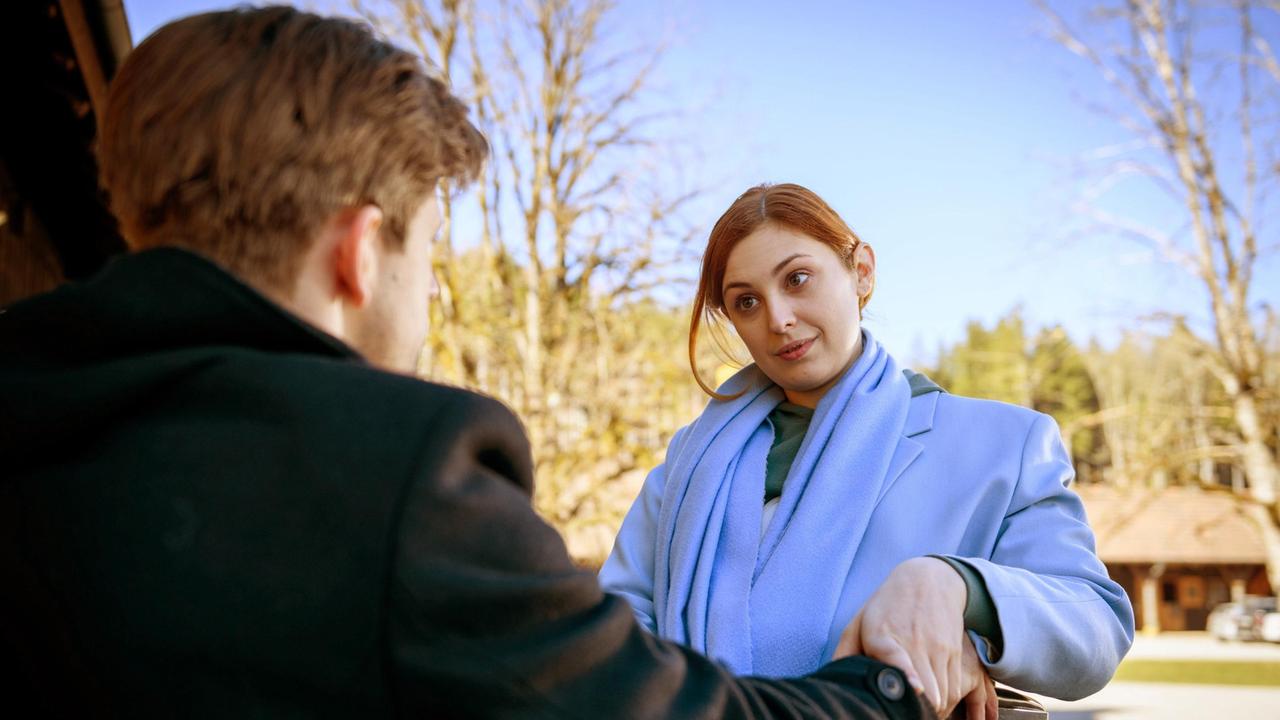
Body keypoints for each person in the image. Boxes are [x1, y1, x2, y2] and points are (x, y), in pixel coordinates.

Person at [0, 9, 933, 719]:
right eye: (431, 251)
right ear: (360, 252)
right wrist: (890, 691)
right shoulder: (396, 474)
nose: (433, 291)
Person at [600, 183, 1136, 719]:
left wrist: (959, 587)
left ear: (861, 272)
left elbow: (1097, 628)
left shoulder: (1004, 444)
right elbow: (614, 640)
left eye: (798, 279)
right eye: (747, 301)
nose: (778, 318)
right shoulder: (686, 467)